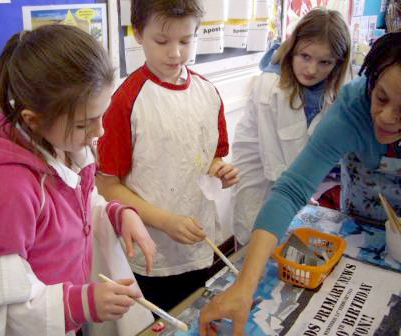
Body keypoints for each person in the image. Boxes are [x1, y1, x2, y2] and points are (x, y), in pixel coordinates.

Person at [0, 24, 156, 335]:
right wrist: (81, 304)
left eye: (102, 115)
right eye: (84, 124)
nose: (100, 131)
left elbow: (80, 203)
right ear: (32, 120)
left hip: (66, 317)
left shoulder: (66, 145)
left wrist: (117, 213)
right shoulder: (8, 190)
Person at [199, 31, 401, 336]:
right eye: (381, 98)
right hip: (357, 224)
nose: (386, 117)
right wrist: (244, 284)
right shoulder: (352, 107)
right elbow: (292, 189)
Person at [97, 0, 240, 312]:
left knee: (197, 310)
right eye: (162, 41)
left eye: (186, 41)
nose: (175, 53)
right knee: (165, 319)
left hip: (199, 241)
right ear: (138, 33)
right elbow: (108, 185)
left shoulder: (207, 93)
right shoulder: (125, 102)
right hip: (153, 251)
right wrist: (165, 221)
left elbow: (209, 157)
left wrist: (220, 170)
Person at [231, 8, 351, 246]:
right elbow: (278, 165)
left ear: (337, 64)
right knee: (253, 247)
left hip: (292, 184)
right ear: (292, 48)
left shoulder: (329, 88)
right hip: (262, 186)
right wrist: (305, 192)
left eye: (324, 62)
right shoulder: (271, 87)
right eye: (305, 56)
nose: (312, 69)